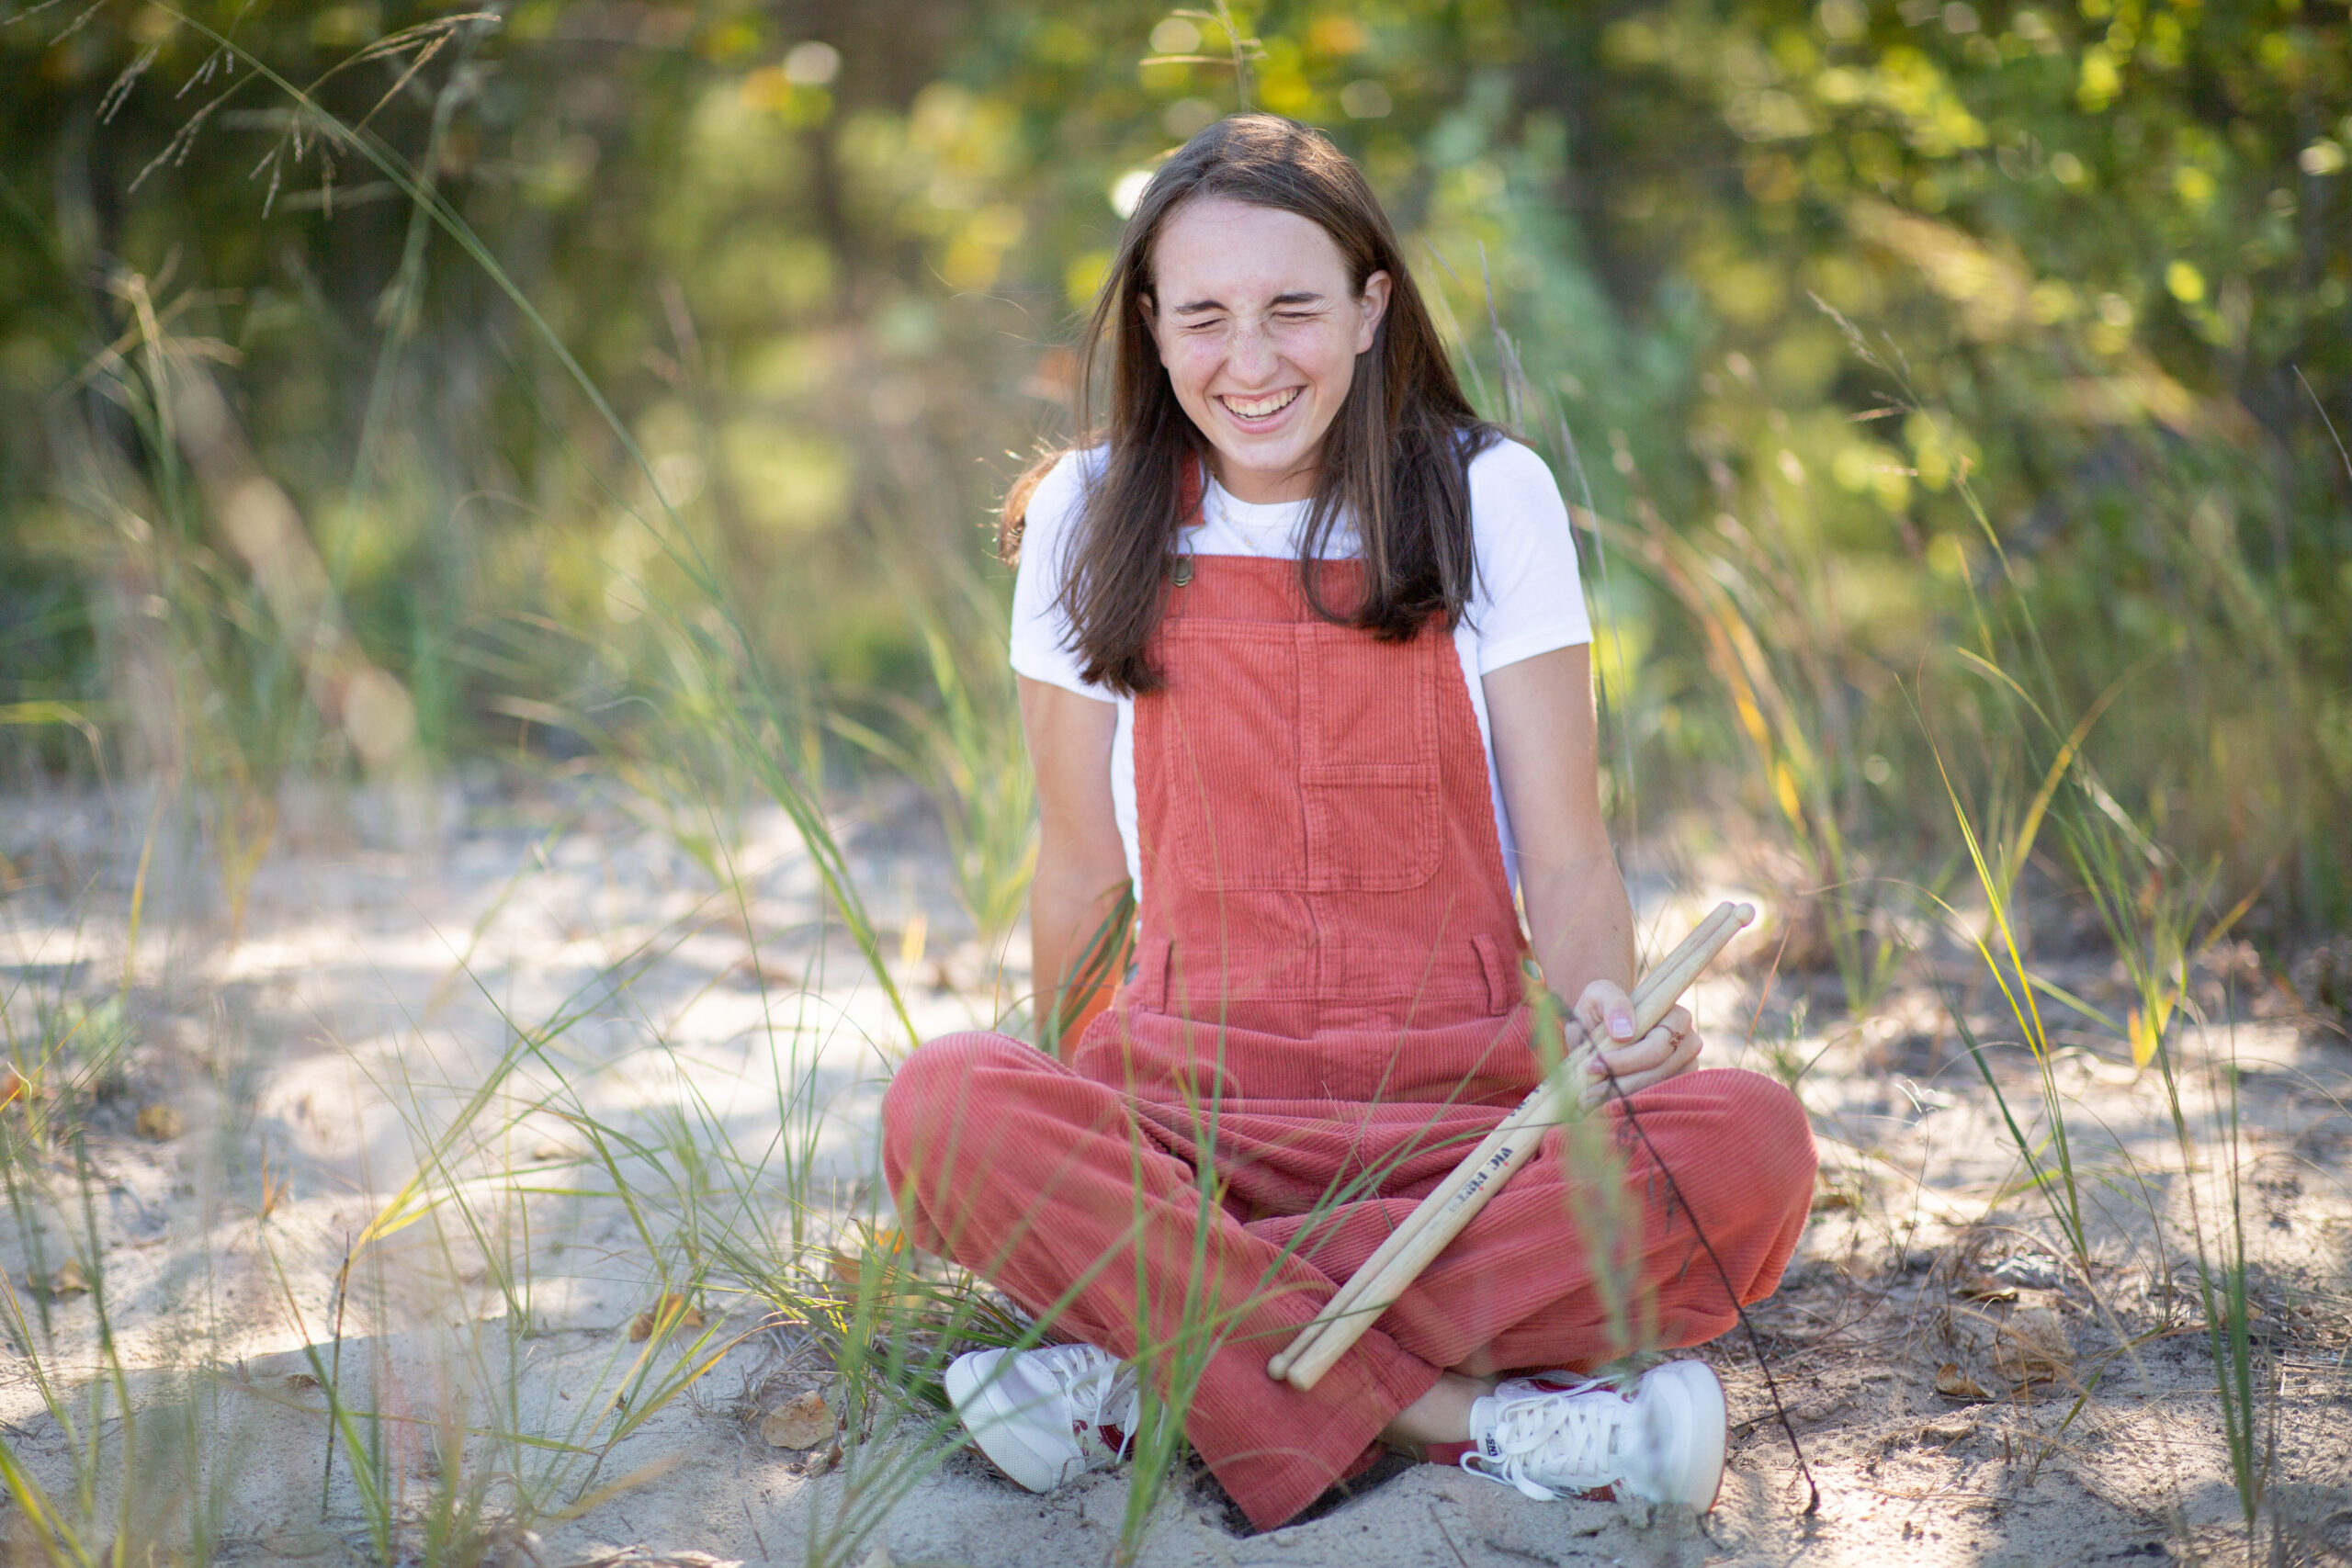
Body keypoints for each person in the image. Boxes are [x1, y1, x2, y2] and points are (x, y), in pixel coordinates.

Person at [880, 114, 1815, 1533]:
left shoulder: (1487, 494)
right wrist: (1092, 1147)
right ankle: (1474, 1419)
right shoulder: (1089, 511)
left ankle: (1161, 1364)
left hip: (1468, 1129)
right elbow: (1079, 861)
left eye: (1292, 310)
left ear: (1373, 307)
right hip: (1194, 1128)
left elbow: (1565, 855)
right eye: (1203, 315)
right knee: (943, 1108)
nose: (1249, 362)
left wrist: (1618, 1016)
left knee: (1748, 1145)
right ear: (1151, 323)